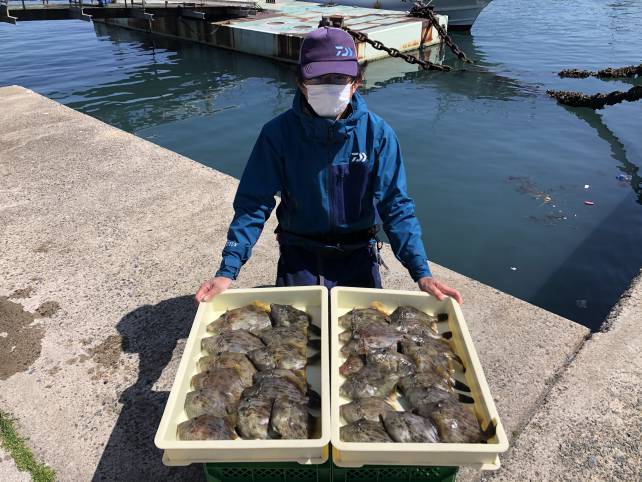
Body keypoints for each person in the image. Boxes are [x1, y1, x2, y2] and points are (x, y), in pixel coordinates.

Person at [196, 26, 462, 304]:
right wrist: (227, 270)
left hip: (358, 252)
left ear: (356, 81)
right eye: (318, 78)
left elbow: (395, 205)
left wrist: (422, 271)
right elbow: (253, 203)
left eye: (339, 78)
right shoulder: (277, 135)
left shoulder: (378, 135)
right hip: (299, 253)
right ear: (301, 82)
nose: (329, 85)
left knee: (367, 326)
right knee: (295, 326)